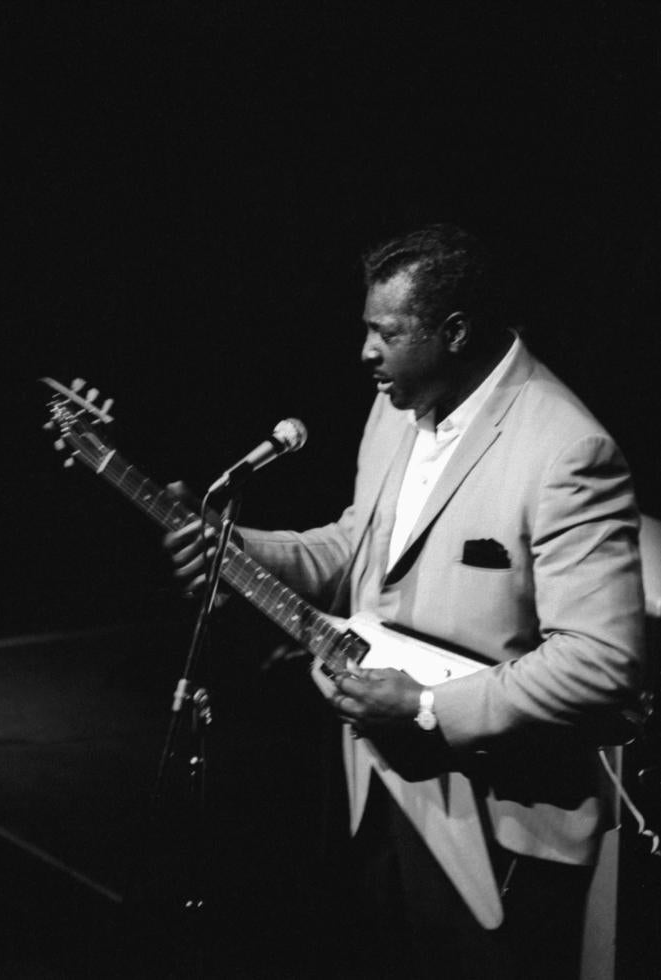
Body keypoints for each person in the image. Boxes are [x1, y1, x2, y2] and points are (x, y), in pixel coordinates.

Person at [164, 223, 645, 979]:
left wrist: (426, 709)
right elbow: (358, 546)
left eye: (385, 332)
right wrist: (237, 546)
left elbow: (602, 662)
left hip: (498, 828)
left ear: (454, 332)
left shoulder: (564, 449)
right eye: (366, 329)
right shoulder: (397, 406)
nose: (365, 352)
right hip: (381, 792)